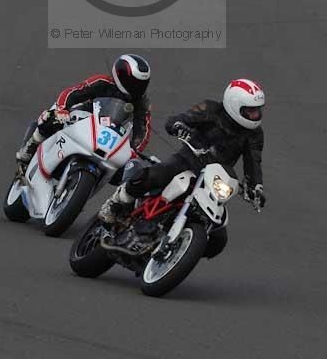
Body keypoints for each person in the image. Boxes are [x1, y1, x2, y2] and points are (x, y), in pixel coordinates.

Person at [99, 78, 266, 258]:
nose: (255, 115)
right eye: (250, 110)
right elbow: (179, 119)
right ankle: (117, 201)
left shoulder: (254, 134)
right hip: (186, 162)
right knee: (155, 175)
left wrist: (256, 187)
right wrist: (179, 126)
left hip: (213, 179)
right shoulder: (211, 109)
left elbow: (253, 162)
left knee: (219, 237)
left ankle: (181, 248)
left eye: (257, 110)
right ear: (235, 104)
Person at [15, 54, 152, 172]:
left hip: (109, 135)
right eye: (134, 83)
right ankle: (29, 149)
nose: (138, 88)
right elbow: (73, 92)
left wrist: (134, 150)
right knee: (51, 118)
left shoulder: (141, 102)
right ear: (121, 76)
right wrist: (62, 109)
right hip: (82, 117)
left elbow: (143, 129)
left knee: (131, 169)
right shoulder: (102, 81)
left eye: (142, 84)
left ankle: (116, 201)